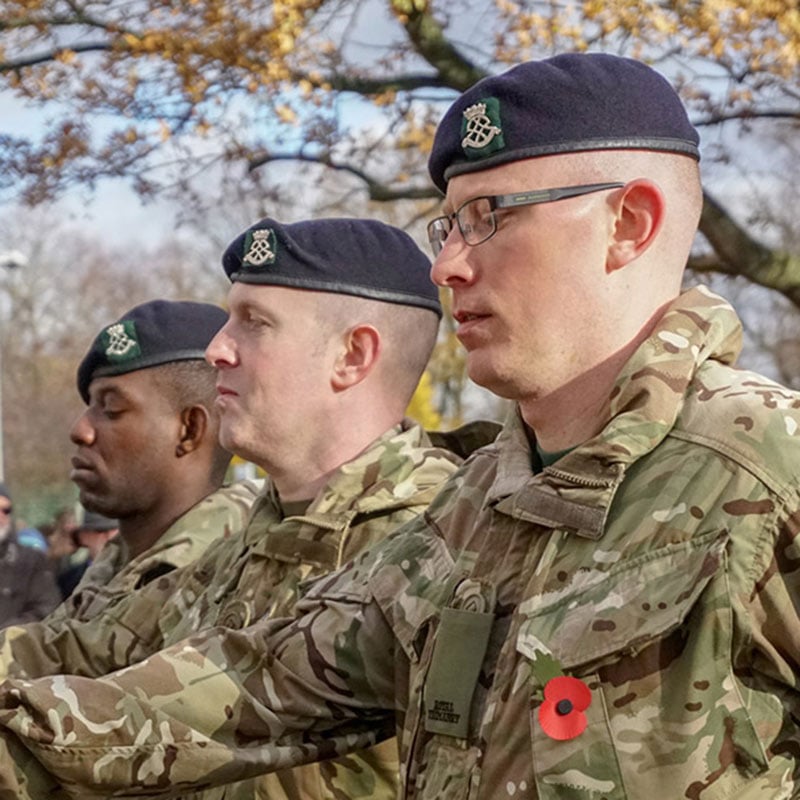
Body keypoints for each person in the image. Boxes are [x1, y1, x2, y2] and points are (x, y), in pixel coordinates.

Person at [0, 217, 471, 800]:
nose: (218, 349)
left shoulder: (443, 542)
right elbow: (72, 649)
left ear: (352, 355)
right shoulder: (247, 542)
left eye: (254, 323)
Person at [42, 299, 260, 625]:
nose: (81, 431)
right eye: (90, 406)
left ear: (189, 430)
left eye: (112, 408)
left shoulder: (239, 574)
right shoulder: (109, 568)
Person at [0, 483, 60, 627]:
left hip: (13, 646)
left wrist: (4, 636)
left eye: (6, 510)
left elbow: (46, 610)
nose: (0, 516)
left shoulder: (32, 561)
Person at [54, 509, 119, 600]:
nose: (109, 538)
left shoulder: (135, 576)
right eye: (101, 531)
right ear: (84, 536)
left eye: (115, 531)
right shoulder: (66, 581)